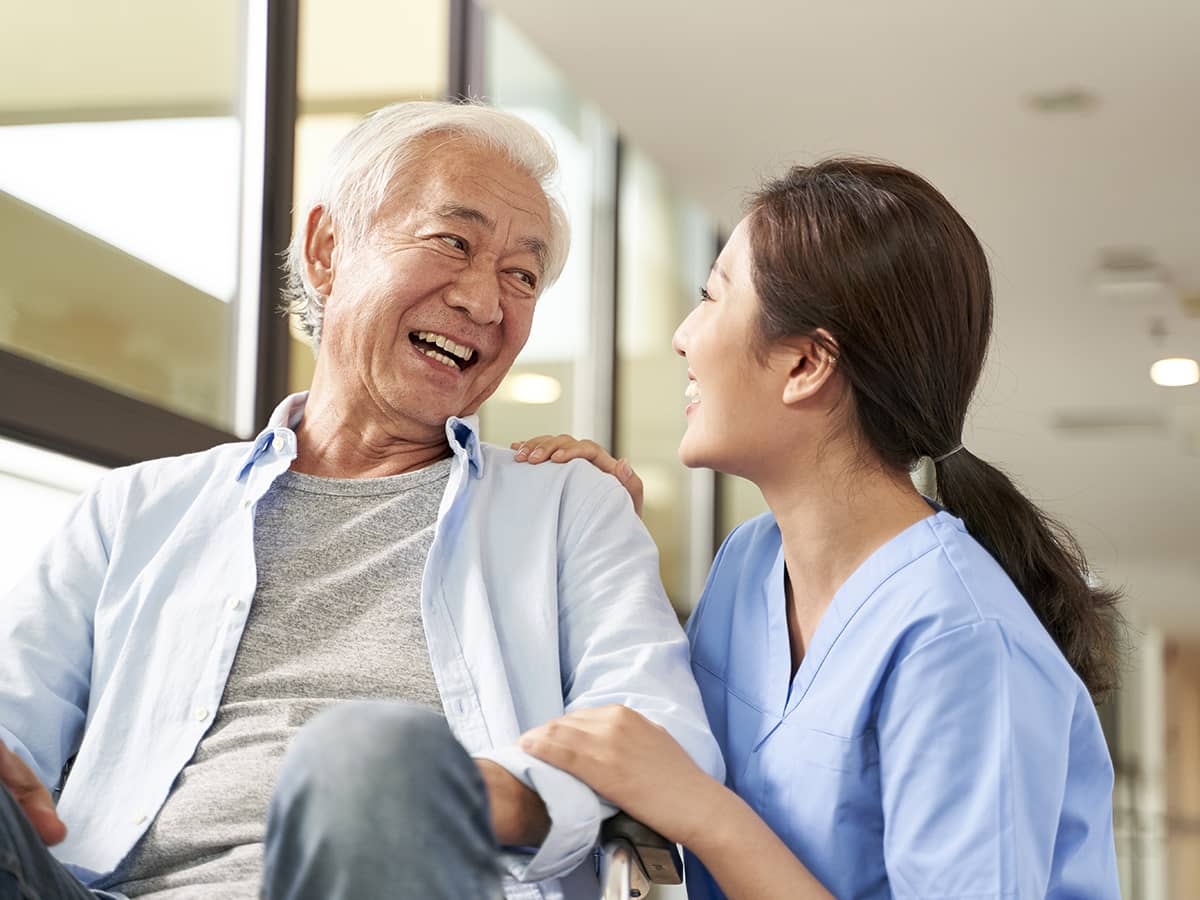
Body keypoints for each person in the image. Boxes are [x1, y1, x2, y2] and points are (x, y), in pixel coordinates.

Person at [0, 101, 723, 900]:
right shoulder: (133, 509)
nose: (486, 302)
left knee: (372, 750)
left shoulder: (565, 506)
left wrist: (468, 792)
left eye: (522, 275)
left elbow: (657, 727)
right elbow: (13, 720)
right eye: (453, 241)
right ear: (326, 249)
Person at [513, 159, 1124, 899]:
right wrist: (595, 553)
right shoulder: (748, 565)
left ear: (805, 363)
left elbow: (685, 793)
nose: (681, 335)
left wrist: (707, 816)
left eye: (711, 297)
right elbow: (642, 742)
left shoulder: (961, 638)